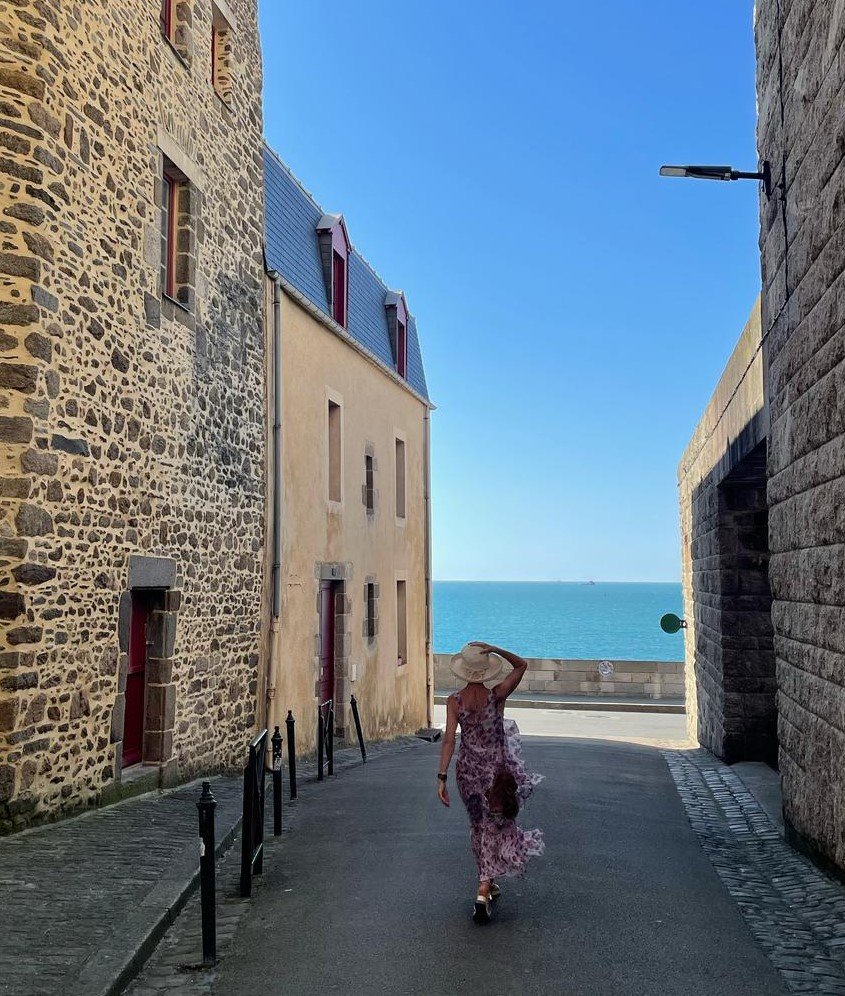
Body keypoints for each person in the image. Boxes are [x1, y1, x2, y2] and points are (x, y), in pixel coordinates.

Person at [437, 641, 544, 923]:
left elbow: (449, 740)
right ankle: (483, 886)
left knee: (478, 826)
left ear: (463, 672)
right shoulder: (497, 696)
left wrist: (442, 777)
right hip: (496, 775)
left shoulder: (454, 702)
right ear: (486, 672)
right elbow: (522, 665)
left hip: (468, 774)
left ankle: (488, 882)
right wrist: (496, 649)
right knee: (497, 825)